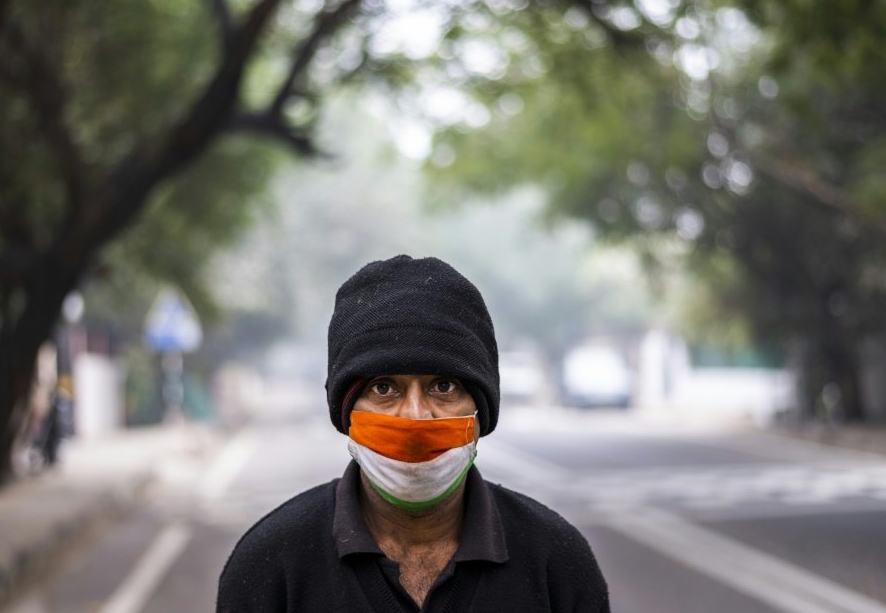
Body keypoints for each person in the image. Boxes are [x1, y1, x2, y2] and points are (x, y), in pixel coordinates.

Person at [218, 255, 610, 612]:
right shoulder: (270, 566)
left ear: (480, 408)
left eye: (443, 386)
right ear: (346, 410)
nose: (416, 417)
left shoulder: (557, 562)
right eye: (384, 388)